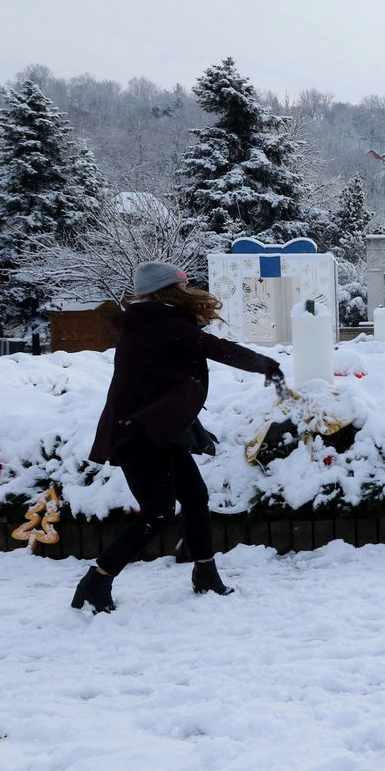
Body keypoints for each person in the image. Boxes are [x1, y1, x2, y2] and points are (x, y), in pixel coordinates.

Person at [71, 262, 287, 614]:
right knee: (158, 514)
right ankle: (97, 580)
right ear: (169, 290)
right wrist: (267, 365)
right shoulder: (162, 322)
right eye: (182, 287)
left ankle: (205, 573)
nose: (189, 293)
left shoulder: (152, 320)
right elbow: (214, 347)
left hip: (156, 428)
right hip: (139, 431)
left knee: (195, 496)